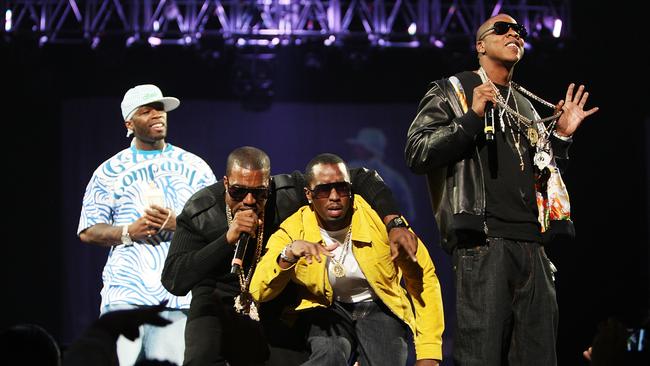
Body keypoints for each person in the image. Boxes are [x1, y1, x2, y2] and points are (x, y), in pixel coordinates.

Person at [404, 13, 599, 366]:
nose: (514, 34)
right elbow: (417, 152)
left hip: (534, 247)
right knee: (481, 355)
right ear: (480, 46)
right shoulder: (454, 89)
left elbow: (543, 174)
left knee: (538, 356)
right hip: (484, 241)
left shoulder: (526, 104)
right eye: (503, 29)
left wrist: (562, 137)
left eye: (519, 31)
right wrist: (472, 118)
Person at [161, 147, 419, 366]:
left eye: (259, 192)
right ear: (226, 182)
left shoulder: (285, 192)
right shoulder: (200, 210)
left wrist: (394, 222)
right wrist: (226, 240)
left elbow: (360, 177)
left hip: (272, 300)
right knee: (200, 358)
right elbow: (174, 280)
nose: (249, 201)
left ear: (269, 184)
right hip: (218, 298)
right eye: (239, 192)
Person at [250, 153, 444, 366]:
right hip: (328, 309)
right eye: (324, 190)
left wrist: (429, 353)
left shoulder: (380, 222)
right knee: (328, 355)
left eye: (341, 188)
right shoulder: (295, 229)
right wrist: (288, 254)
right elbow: (258, 290)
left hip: (378, 306)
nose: (334, 196)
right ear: (308, 194)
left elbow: (423, 278)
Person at [78, 84, 216, 365]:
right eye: (147, 110)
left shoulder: (195, 166)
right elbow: (88, 229)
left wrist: (178, 223)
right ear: (129, 122)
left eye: (161, 109)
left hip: (177, 294)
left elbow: (218, 225)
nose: (158, 115)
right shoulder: (108, 171)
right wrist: (130, 231)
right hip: (126, 293)